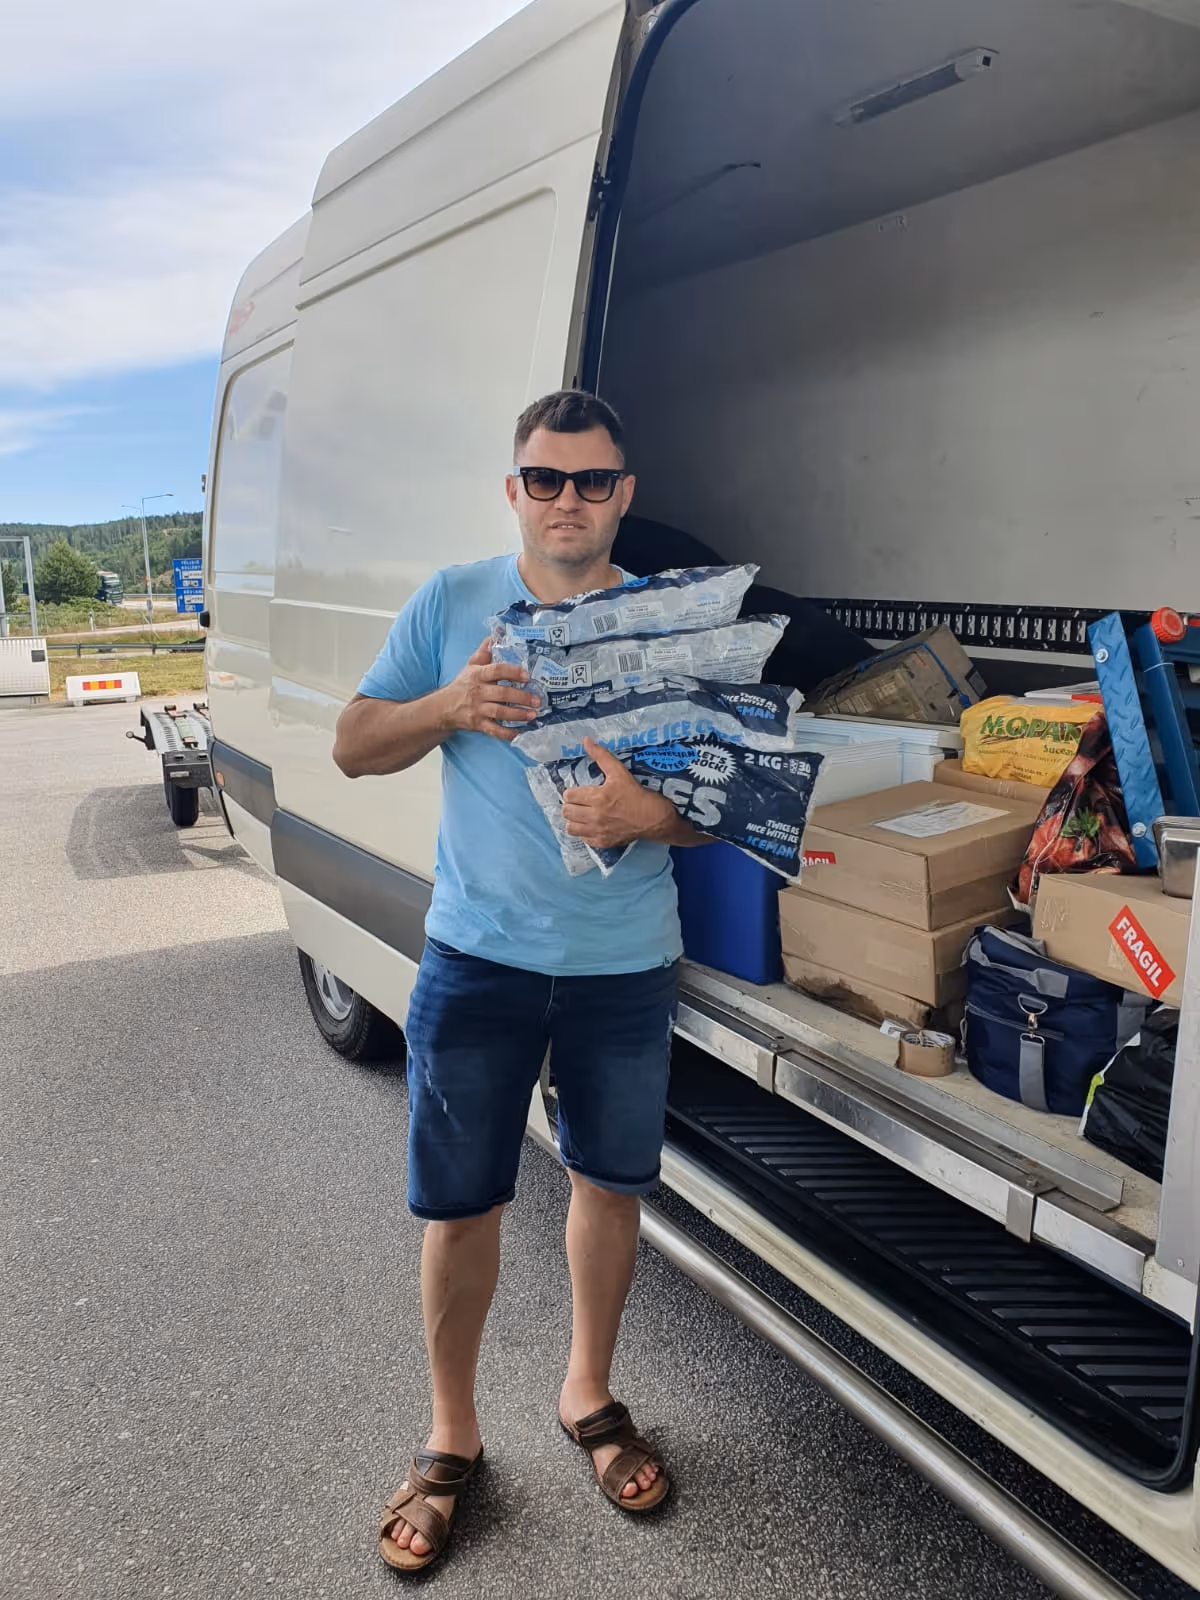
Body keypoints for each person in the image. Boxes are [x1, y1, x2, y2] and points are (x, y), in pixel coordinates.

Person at [332, 390, 707, 1573]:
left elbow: (727, 803)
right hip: (477, 956)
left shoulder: (668, 622)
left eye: (593, 481)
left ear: (625, 494)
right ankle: (452, 1438)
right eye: (544, 479)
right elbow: (351, 742)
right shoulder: (453, 602)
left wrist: (650, 810)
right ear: (515, 490)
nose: (568, 501)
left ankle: (586, 1395)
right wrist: (450, 705)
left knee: (609, 1186)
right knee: (462, 1204)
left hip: (622, 965)